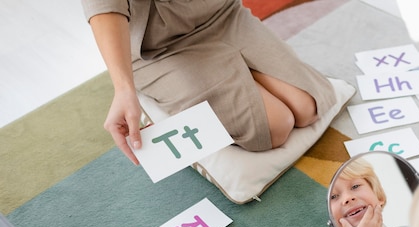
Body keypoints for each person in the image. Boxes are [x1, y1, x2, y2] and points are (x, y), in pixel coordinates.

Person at [81, 0, 337, 165]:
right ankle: (232, 73)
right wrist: (123, 89)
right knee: (274, 126)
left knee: (307, 106)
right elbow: (103, 8)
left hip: (222, 14)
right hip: (159, 46)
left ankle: (238, 70)